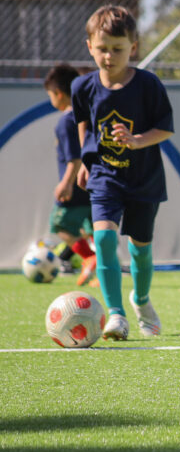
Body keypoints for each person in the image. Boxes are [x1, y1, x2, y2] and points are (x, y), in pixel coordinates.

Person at [71, 5, 174, 341]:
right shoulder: (82, 87)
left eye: (118, 49)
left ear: (133, 46)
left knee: (141, 249)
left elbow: (165, 129)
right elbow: (83, 122)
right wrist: (87, 160)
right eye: (102, 49)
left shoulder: (148, 85)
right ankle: (116, 315)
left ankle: (140, 300)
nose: (109, 56)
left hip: (144, 178)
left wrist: (136, 140)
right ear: (90, 46)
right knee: (102, 238)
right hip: (105, 176)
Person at [42, 64, 98, 286]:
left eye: (50, 95)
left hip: (76, 186)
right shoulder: (88, 115)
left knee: (60, 225)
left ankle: (88, 258)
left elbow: (74, 158)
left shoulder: (67, 120)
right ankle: (101, 271)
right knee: (95, 229)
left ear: (58, 94)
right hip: (94, 184)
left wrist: (66, 183)